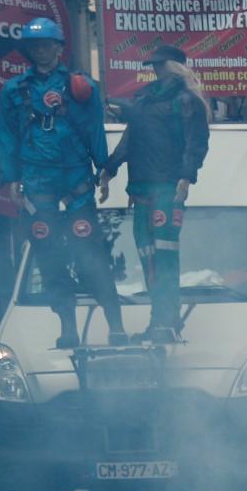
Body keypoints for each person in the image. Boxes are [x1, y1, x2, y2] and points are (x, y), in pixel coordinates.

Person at [0, 17, 126, 347]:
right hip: (38, 186)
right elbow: (8, 137)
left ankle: (116, 325)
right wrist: (11, 178)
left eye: (46, 45)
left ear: (58, 48)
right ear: (28, 51)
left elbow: (95, 128)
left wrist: (105, 167)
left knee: (91, 257)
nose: (41, 51)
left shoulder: (81, 87)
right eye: (34, 46)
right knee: (50, 260)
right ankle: (67, 327)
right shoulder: (14, 91)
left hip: (77, 183)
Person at [98, 45, 210, 342]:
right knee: (148, 259)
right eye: (153, 66)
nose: (156, 71)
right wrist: (109, 169)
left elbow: (195, 142)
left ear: (175, 66)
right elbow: (129, 139)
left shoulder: (187, 101)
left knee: (165, 258)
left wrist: (186, 178)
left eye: (160, 65)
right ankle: (158, 320)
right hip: (141, 191)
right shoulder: (144, 100)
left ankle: (167, 321)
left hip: (167, 191)